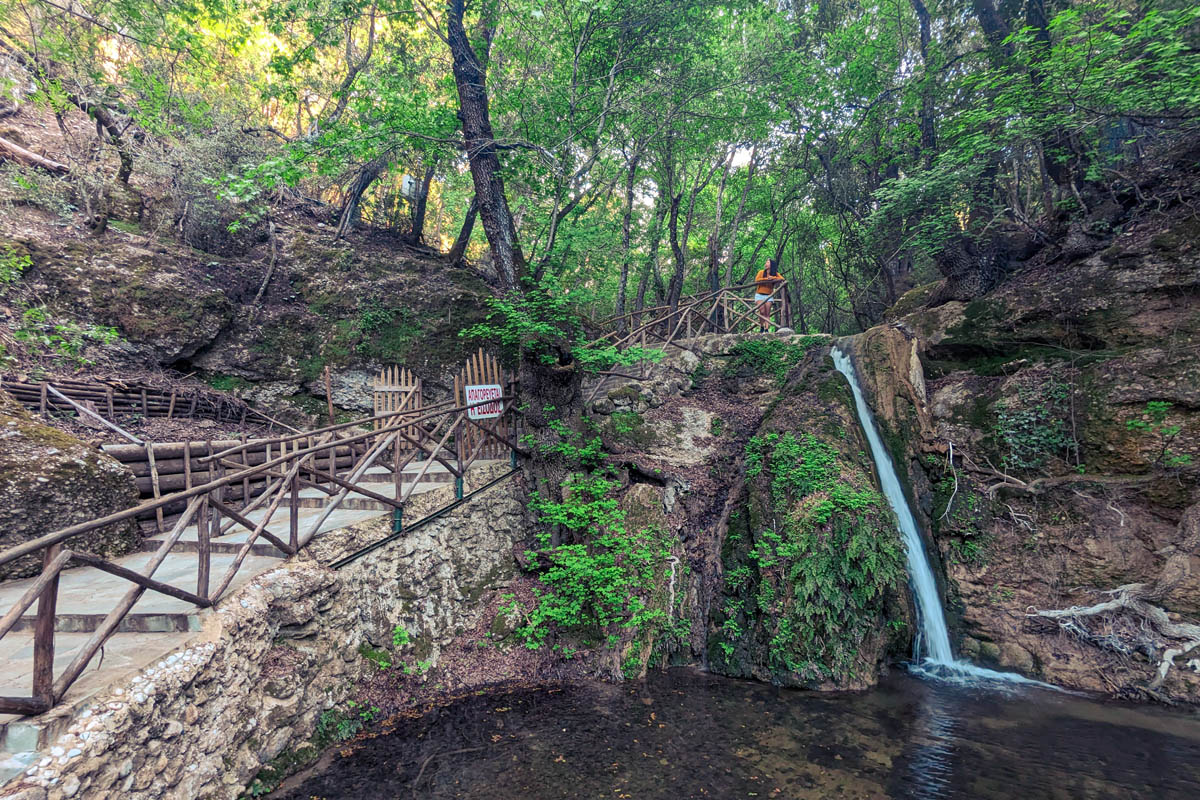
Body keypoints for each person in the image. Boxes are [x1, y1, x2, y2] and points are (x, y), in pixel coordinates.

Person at [752, 258, 785, 332]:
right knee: (762, 311)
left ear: (771, 265)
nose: (766, 264)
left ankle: (766, 329)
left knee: (767, 313)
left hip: (769, 296)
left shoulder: (775, 273)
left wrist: (773, 278)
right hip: (759, 295)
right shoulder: (761, 272)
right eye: (766, 262)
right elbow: (757, 279)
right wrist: (767, 279)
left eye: (768, 262)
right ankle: (761, 326)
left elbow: (782, 278)